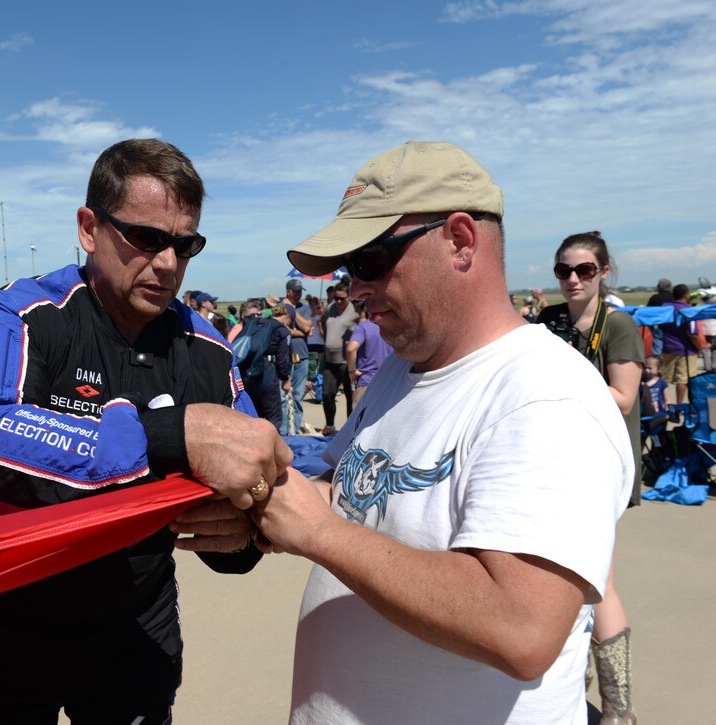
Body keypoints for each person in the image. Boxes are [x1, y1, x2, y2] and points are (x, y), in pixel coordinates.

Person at [253, 141, 632, 724]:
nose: (354, 287)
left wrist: (317, 533)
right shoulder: (407, 369)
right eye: (348, 268)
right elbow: (351, 493)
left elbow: (520, 627)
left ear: (460, 240)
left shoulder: (545, 395)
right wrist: (262, 500)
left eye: (370, 259)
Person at [0, 138, 290, 723]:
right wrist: (170, 435)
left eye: (186, 245)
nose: (168, 263)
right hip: (7, 621)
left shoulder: (205, 347)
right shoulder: (22, 312)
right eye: (146, 239)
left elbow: (255, 481)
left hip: (135, 628)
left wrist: (240, 534)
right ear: (88, 228)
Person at [537, 231, 643, 722]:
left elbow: (624, 397)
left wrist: (567, 384)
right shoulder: (550, 321)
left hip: (599, 463)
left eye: (584, 270)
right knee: (556, 578)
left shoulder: (617, 325)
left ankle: (619, 706)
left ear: (603, 272)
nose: (573, 280)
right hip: (549, 460)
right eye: (564, 271)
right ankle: (569, 694)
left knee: (597, 581)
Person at [233, 298, 292, 430]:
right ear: (288, 317)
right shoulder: (282, 331)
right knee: (274, 418)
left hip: (249, 375)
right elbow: (282, 361)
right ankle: (274, 448)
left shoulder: (257, 324)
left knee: (254, 416)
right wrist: (286, 379)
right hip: (268, 376)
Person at [320, 282, 358, 435]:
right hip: (330, 361)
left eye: (342, 298)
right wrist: (325, 335)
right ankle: (330, 426)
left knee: (351, 397)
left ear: (349, 296)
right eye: (336, 298)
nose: (339, 301)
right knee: (327, 394)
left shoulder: (355, 311)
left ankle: (350, 430)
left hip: (346, 362)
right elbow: (322, 320)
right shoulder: (331, 308)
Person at [658, 284, 702, 405]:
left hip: (667, 348)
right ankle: (679, 405)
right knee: (683, 380)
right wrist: (700, 347)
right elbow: (693, 333)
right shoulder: (688, 310)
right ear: (686, 295)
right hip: (686, 350)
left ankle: (664, 404)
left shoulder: (665, 307)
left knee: (665, 379)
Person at [280, 279, 313, 435]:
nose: (299, 294)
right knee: (283, 398)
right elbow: (280, 329)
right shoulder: (278, 307)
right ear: (288, 291)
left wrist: (292, 310)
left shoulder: (304, 308)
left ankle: (296, 431)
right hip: (284, 358)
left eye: (301, 291)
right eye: (296, 291)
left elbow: (308, 328)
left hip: (302, 357)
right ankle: (284, 431)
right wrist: (301, 332)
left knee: (298, 396)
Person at [345, 304, 393, 407]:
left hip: (367, 380)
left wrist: (352, 371)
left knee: (361, 421)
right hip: (391, 382)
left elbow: (351, 349)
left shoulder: (363, 327)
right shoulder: (393, 326)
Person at [647, 278, 673, 355]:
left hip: (657, 325)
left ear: (660, 286)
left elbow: (648, 312)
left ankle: (657, 362)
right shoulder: (673, 297)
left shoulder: (655, 298)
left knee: (657, 346)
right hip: (672, 325)